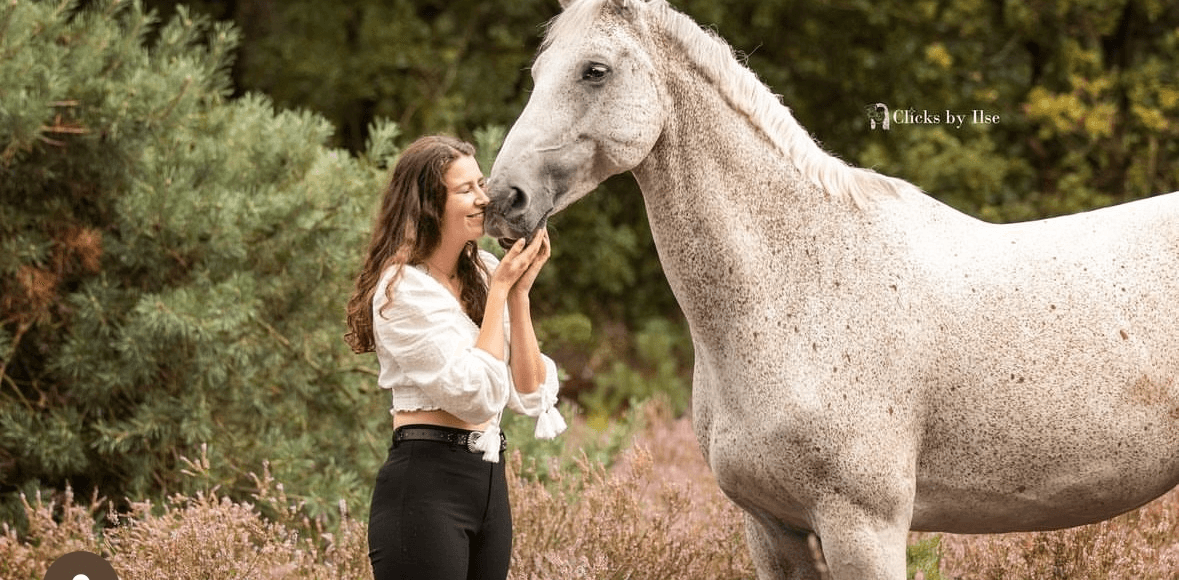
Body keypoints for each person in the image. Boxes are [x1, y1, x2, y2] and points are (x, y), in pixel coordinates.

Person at [344, 135, 566, 580]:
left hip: (488, 482)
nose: (484, 198)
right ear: (428, 203)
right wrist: (500, 290)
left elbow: (531, 392)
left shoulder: (483, 269)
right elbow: (475, 395)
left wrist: (517, 296)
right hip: (426, 485)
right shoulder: (402, 289)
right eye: (465, 189)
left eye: (481, 184)